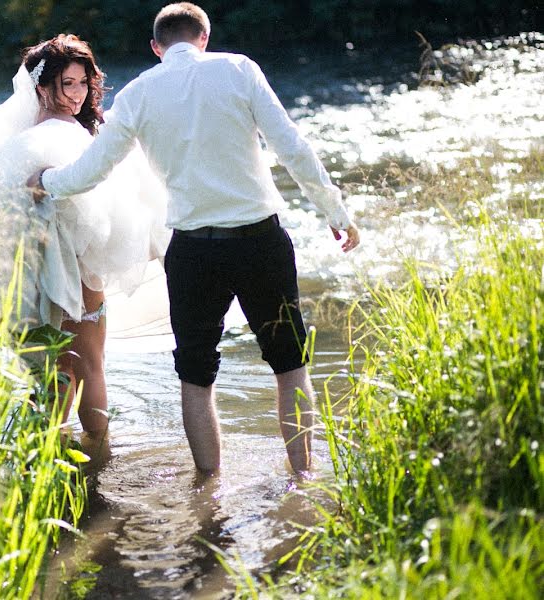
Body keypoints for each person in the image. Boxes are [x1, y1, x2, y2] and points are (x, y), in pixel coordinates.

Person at [29, 3, 360, 475]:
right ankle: (303, 481)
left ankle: (209, 493)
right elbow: (292, 146)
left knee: (195, 380)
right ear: (204, 37)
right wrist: (335, 212)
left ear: (156, 48)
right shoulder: (240, 68)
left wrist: (47, 180)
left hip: (192, 252)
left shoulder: (140, 91)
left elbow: (92, 170)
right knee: (290, 368)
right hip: (259, 241)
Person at [0, 34, 169, 435]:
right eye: (66, 84)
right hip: (79, 274)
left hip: (32, 284)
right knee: (91, 364)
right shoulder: (76, 137)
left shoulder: (10, 147)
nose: (76, 95)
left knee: (53, 372)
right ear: (41, 87)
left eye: (82, 83)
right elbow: (120, 216)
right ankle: (98, 459)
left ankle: (45, 458)